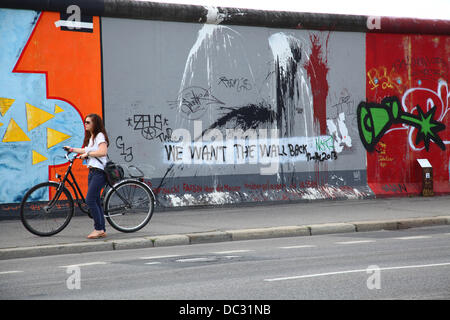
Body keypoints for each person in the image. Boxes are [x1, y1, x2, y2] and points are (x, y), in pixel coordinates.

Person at [65, 114, 109, 239]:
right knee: (95, 200)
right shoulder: (92, 137)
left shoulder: (100, 136)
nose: (85, 124)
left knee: (89, 200)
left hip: (99, 172)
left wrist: (88, 154)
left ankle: (98, 228)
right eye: (85, 122)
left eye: (88, 122)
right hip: (92, 172)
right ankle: (102, 229)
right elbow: (86, 150)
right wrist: (72, 149)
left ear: (95, 123)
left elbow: (102, 152)